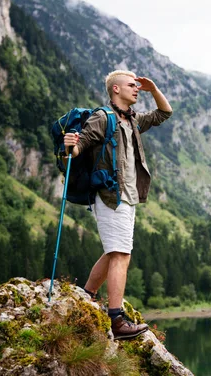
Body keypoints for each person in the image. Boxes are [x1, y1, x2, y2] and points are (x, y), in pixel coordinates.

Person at [63, 70, 173, 340]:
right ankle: (117, 320)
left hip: (127, 196)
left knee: (117, 252)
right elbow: (81, 146)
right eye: (131, 85)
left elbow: (164, 113)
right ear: (115, 89)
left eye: (137, 85)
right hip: (111, 195)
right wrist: (70, 146)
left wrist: (154, 89)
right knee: (121, 254)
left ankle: (87, 294)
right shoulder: (104, 117)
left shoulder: (132, 119)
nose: (136, 89)